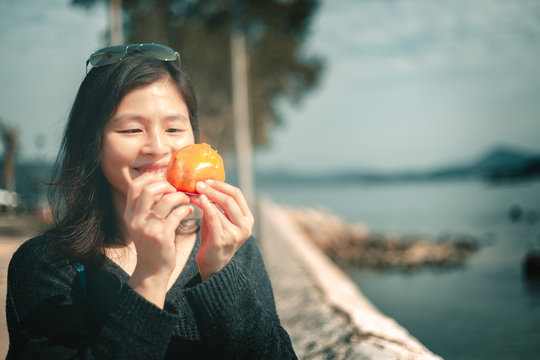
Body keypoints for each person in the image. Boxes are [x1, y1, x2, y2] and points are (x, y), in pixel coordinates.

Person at [6, 43, 297, 359]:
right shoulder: (44, 264)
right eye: (132, 129)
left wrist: (218, 272)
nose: (158, 147)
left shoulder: (230, 248)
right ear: (93, 143)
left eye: (174, 128)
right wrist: (150, 277)